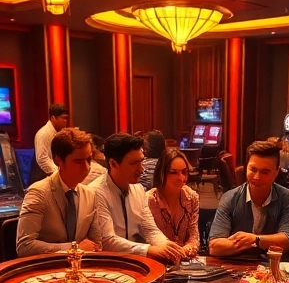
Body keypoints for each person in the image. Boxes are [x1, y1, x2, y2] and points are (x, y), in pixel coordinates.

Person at [16, 127, 122, 256]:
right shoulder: (38, 193)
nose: (87, 167)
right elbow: (24, 246)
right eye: (78, 161)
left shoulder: (90, 194)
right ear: (58, 160)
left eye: (88, 160)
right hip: (46, 269)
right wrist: (73, 248)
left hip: (81, 269)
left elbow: (96, 243)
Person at [89, 132, 186, 264]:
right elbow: (107, 241)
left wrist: (166, 246)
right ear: (113, 163)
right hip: (107, 264)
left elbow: (149, 229)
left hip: (134, 262)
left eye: (141, 161)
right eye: (134, 163)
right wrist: (148, 250)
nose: (141, 169)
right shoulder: (96, 192)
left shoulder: (138, 189)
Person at [207, 139, 289, 258]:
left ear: (276, 173)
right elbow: (215, 247)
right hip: (237, 267)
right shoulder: (230, 197)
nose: (256, 177)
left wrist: (255, 239)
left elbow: (287, 241)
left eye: (265, 172)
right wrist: (258, 242)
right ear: (246, 168)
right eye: (253, 170)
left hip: (273, 267)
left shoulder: (287, 198)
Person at [147, 148, 201, 259]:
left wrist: (189, 248)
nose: (181, 178)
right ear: (162, 173)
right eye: (174, 173)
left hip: (185, 259)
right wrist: (175, 252)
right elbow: (149, 239)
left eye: (184, 172)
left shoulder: (192, 198)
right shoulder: (149, 200)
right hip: (157, 260)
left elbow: (193, 235)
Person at [33, 103, 69, 178]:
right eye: (63, 118)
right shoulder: (43, 134)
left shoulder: (61, 132)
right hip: (44, 177)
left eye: (66, 118)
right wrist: (59, 173)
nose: (65, 121)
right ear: (53, 118)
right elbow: (42, 159)